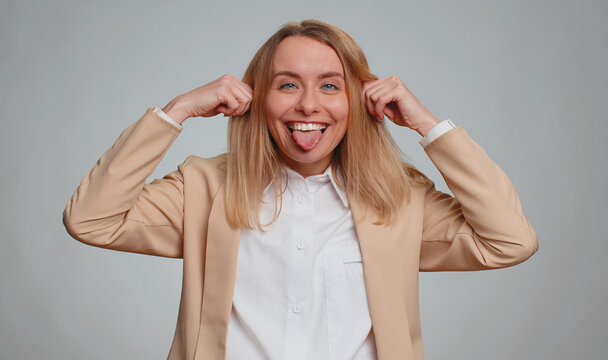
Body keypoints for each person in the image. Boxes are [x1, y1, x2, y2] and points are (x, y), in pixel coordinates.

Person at [63, 19, 538, 360]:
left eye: (330, 86)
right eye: (287, 85)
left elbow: (509, 241)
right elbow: (90, 219)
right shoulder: (204, 188)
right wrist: (178, 110)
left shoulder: (399, 200)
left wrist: (427, 125)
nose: (308, 104)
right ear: (256, 98)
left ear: (357, 100)